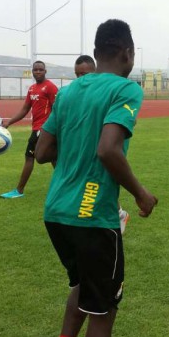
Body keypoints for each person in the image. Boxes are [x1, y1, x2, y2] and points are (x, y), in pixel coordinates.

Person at [35, 19, 158, 337]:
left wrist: (74, 171)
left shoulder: (68, 91)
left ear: (96, 52)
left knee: (82, 287)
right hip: (92, 216)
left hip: (57, 211)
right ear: (127, 53)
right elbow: (108, 150)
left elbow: (43, 151)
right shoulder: (126, 88)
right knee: (103, 310)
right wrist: (141, 194)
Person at [73, 54, 131, 234]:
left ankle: (117, 215)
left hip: (101, 147)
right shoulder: (74, 93)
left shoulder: (105, 93)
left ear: (95, 71)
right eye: (78, 75)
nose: (82, 79)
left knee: (100, 183)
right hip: (82, 146)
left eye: (86, 74)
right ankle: (119, 214)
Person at [0, 60, 58, 198]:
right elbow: (25, 109)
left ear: (45, 71)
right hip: (37, 129)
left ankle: (19, 191)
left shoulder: (50, 87)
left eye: (40, 69)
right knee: (54, 159)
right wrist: (9, 122)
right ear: (32, 71)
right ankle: (69, 188)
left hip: (44, 130)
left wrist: (50, 128)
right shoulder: (32, 89)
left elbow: (58, 109)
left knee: (29, 157)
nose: (37, 72)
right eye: (35, 69)